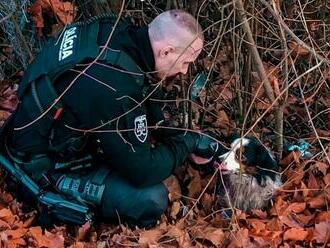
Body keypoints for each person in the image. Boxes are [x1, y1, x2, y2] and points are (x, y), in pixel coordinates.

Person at [1, 9, 220, 227]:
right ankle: (59, 200)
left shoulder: (114, 30)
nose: (184, 72)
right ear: (166, 51)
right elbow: (143, 171)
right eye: (185, 62)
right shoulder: (114, 86)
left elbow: (143, 90)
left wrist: (180, 137)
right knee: (151, 198)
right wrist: (185, 144)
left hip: (30, 129)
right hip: (38, 166)